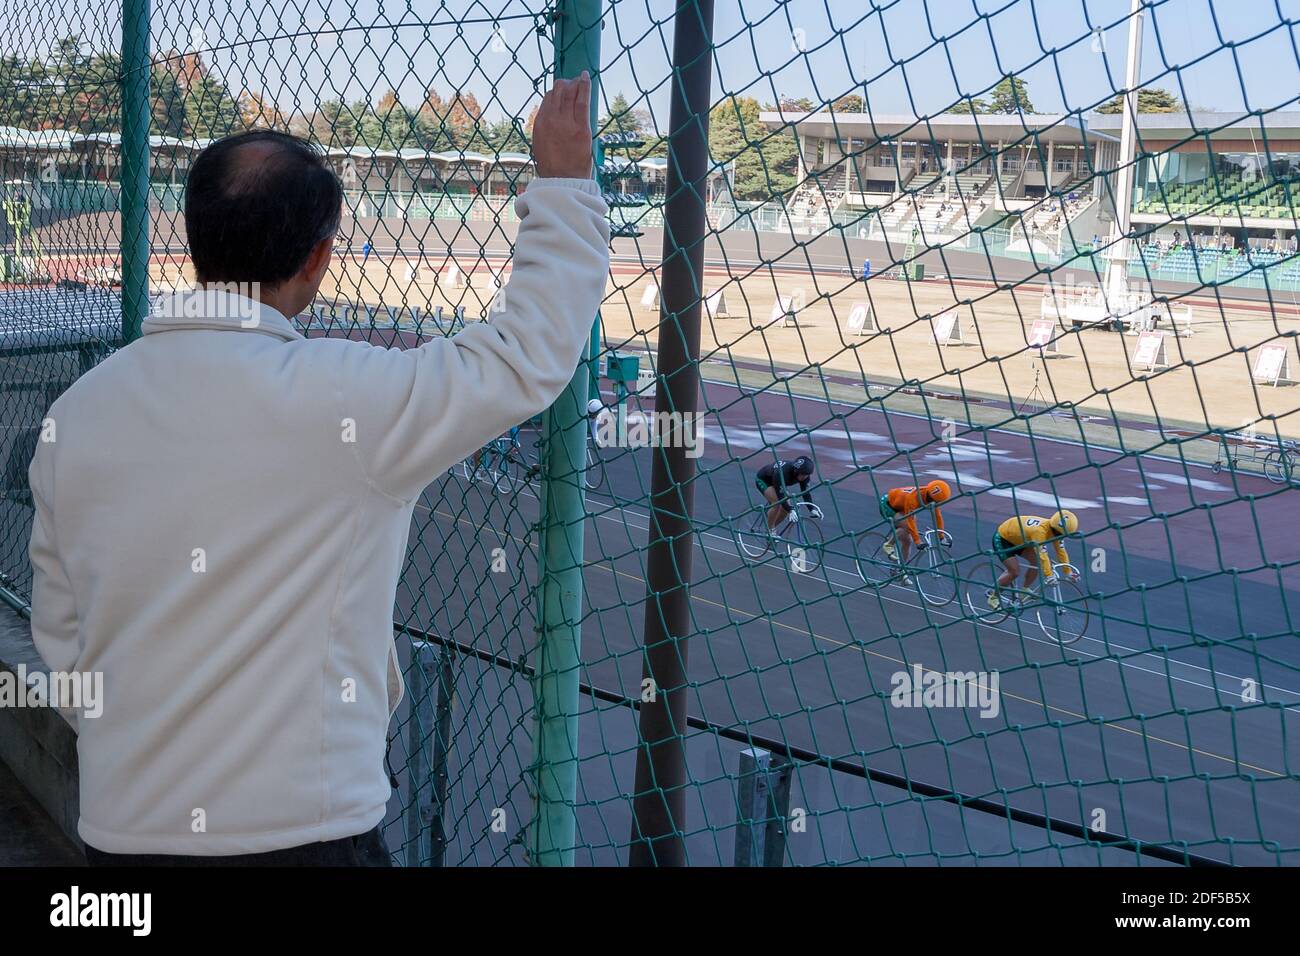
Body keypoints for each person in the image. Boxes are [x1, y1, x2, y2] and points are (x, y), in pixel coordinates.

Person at [28, 73, 607, 865]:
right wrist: (564, 187)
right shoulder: (349, 397)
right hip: (306, 835)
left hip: (120, 833)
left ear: (195, 238)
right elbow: (525, 357)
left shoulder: (79, 412)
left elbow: (61, 640)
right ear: (320, 256)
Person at [989, 510, 1080, 609]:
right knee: (1014, 571)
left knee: (1037, 563)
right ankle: (993, 596)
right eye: (1057, 533)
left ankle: (1024, 590)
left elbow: (1061, 552)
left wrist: (1069, 572)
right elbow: (1042, 554)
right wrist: (1049, 576)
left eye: (1062, 535)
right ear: (1053, 526)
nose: (1058, 536)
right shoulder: (1039, 531)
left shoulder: (1058, 530)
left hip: (1020, 540)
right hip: (1003, 539)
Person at [878, 479, 950, 566]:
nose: (932, 502)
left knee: (908, 542)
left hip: (902, 507)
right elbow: (910, 521)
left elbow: (937, 516)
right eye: (931, 499)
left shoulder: (932, 497)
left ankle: (901, 569)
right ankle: (888, 544)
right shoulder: (913, 498)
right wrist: (918, 542)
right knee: (907, 526)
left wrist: (941, 537)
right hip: (888, 505)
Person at [755, 456, 815, 531]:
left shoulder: (805, 476)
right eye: (802, 474)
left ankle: (768, 528)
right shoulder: (784, 472)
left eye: (806, 475)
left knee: (785, 509)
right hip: (764, 480)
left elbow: (805, 493)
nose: (804, 477)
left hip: (779, 483)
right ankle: (770, 531)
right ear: (796, 471)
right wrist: (790, 510)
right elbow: (780, 495)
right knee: (777, 503)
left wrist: (812, 509)